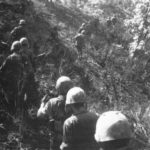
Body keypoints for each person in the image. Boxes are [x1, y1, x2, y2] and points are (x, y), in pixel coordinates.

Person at [37, 76, 74, 150]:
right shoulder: (77, 101)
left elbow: (40, 115)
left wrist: (42, 104)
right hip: (74, 139)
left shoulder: (52, 102)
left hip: (57, 139)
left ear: (58, 88)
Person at [0, 41, 23, 114]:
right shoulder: (21, 57)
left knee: (9, 98)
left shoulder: (9, 57)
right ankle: (16, 113)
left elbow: (2, 69)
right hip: (18, 81)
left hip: (9, 82)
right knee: (16, 97)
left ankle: (10, 113)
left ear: (13, 48)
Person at [19, 37, 37, 109]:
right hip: (29, 73)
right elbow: (34, 62)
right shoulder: (30, 52)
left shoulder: (18, 52)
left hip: (22, 75)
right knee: (30, 90)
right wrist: (34, 70)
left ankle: (23, 106)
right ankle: (29, 105)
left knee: (22, 90)